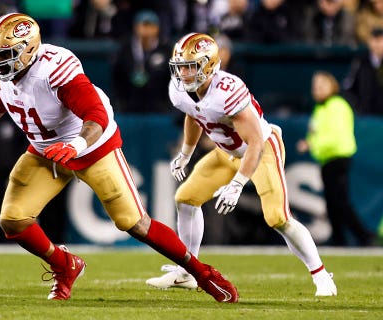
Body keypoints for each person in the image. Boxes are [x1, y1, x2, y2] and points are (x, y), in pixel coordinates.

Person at [0, 13, 238, 303]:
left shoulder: (54, 67)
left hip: (91, 145)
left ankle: (201, 272)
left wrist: (75, 146)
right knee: (13, 220)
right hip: (45, 147)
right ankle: (65, 265)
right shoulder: (6, 73)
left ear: (28, 50)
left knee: (134, 223)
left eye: (4, 55)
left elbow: (96, 115)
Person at [145, 33, 337, 297]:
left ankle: (321, 274)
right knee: (186, 199)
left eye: (191, 66)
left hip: (261, 150)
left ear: (209, 64)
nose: (185, 74)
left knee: (278, 218)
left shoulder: (227, 90)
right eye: (181, 67)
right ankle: (188, 271)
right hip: (227, 153)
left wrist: (237, 185)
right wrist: (186, 152)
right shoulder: (180, 89)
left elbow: (256, 142)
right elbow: (193, 115)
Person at [297, 71, 377, 246]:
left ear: (332, 86)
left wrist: (313, 144)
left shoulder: (338, 106)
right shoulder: (320, 108)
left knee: (340, 201)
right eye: (315, 86)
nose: (317, 90)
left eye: (321, 86)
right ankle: (339, 240)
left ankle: (365, 236)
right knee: (333, 204)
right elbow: (317, 133)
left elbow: (336, 136)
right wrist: (310, 142)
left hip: (338, 158)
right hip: (327, 160)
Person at [111, 10, 173, 114]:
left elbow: (171, 78)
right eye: (144, 25)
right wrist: (122, 103)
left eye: (151, 26)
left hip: (159, 109)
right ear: (136, 27)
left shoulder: (166, 50)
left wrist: (166, 105)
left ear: (157, 28)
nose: (147, 30)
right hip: (129, 108)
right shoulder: (125, 49)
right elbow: (117, 77)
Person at [342, 27, 383, 115]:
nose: (378, 45)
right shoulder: (360, 62)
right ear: (369, 42)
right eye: (375, 41)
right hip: (365, 116)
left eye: (380, 41)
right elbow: (348, 88)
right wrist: (358, 108)